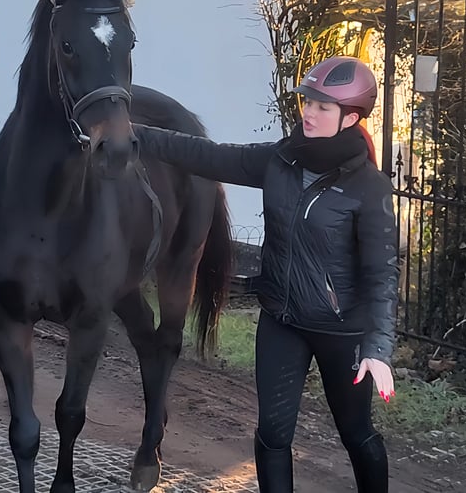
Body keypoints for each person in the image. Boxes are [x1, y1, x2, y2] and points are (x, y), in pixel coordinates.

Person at [132, 56, 399, 493]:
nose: (308, 113)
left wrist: (378, 347)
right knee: (273, 435)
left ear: (351, 118)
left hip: (341, 332)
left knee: (356, 433)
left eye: (323, 107)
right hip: (282, 321)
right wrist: (135, 133)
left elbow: (382, 275)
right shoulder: (281, 160)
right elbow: (208, 156)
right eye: (307, 102)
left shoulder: (368, 188)